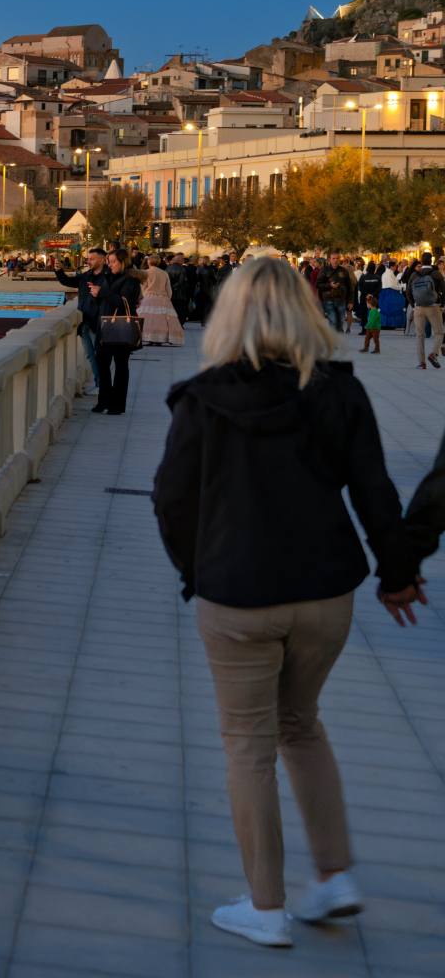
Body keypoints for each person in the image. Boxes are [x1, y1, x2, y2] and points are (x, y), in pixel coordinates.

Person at [153, 255, 421, 949]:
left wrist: (196, 571)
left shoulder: (202, 398)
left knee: (248, 744)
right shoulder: (339, 392)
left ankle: (265, 907)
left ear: (230, 314)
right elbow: (375, 493)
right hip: (325, 591)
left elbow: (171, 501)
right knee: (300, 724)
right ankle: (334, 875)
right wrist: (397, 574)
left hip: (238, 594)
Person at [92, 247, 141, 413]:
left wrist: (103, 292)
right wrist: (96, 294)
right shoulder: (108, 276)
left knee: (120, 366)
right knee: (102, 363)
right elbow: (105, 300)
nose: (110, 265)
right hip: (105, 325)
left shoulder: (131, 280)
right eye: (109, 261)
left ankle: (117, 405)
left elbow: (123, 302)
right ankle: (104, 401)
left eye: (113, 262)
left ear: (123, 262)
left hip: (121, 327)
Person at [55, 248, 107, 392]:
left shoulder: (108, 277)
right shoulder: (86, 275)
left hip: (99, 322)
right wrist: (59, 271)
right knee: (90, 355)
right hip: (84, 321)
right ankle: (99, 384)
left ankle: (103, 385)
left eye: (92, 259)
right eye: (88, 259)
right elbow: (68, 281)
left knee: (101, 356)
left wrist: (100, 292)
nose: (89, 261)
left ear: (102, 259)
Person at [137, 254, 184, 346]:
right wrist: (168, 298)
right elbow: (168, 289)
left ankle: (149, 338)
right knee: (162, 320)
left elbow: (143, 287)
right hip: (163, 298)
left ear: (149, 262)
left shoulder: (145, 272)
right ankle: (160, 338)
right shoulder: (164, 273)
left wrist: (143, 297)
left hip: (149, 297)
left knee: (148, 320)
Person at [406, 252, 443, 368]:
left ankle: (422, 363)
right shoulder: (436, 274)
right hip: (433, 307)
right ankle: (434, 354)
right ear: (431, 261)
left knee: (420, 335)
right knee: (439, 332)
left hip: (418, 307)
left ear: (421, 262)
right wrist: (442, 304)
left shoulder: (414, 274)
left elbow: (408, 291)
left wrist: (413, 305)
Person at [360, 290, 382, 354]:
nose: (367, 305)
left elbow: (372, 321)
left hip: (375, 328)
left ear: (370, 304)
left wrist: (367, 326)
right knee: (367, 338)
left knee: (375, 339)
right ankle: (366, 348)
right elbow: (370, 320)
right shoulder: (371, 311)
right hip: (370, 328)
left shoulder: (374, 311)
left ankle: (377, 349)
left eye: (367, 303)